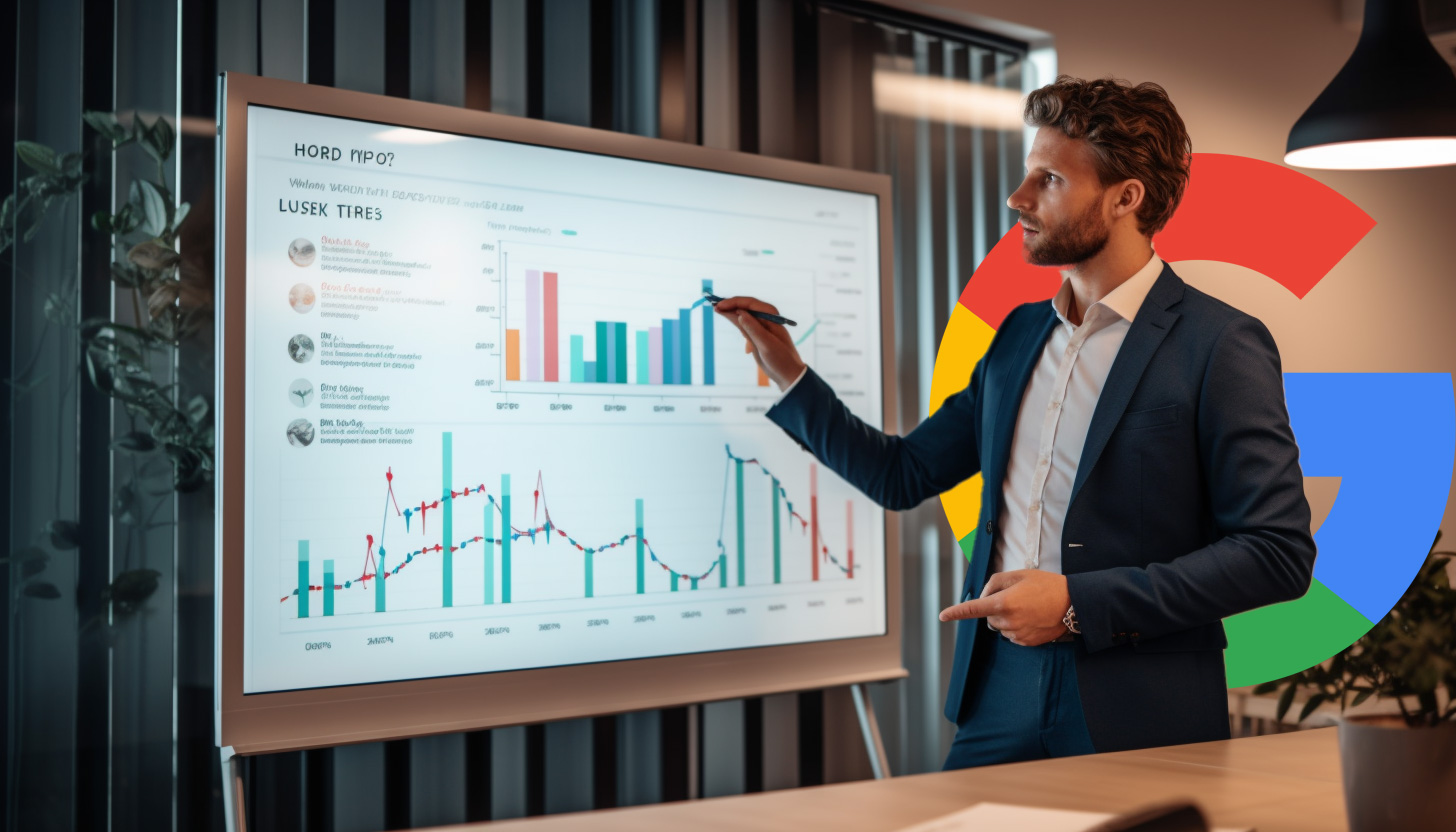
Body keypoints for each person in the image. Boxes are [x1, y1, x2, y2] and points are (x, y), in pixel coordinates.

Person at [715, 76, 1316, 770]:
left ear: (1126, 198)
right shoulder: (1016, 337)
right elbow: (902, 473)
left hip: (1140, 705)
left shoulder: (1219, 342)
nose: (1018, 199)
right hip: (995, 694)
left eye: (1050, 179)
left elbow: (1277, 553)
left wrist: (1075, 604)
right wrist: (788, 369)